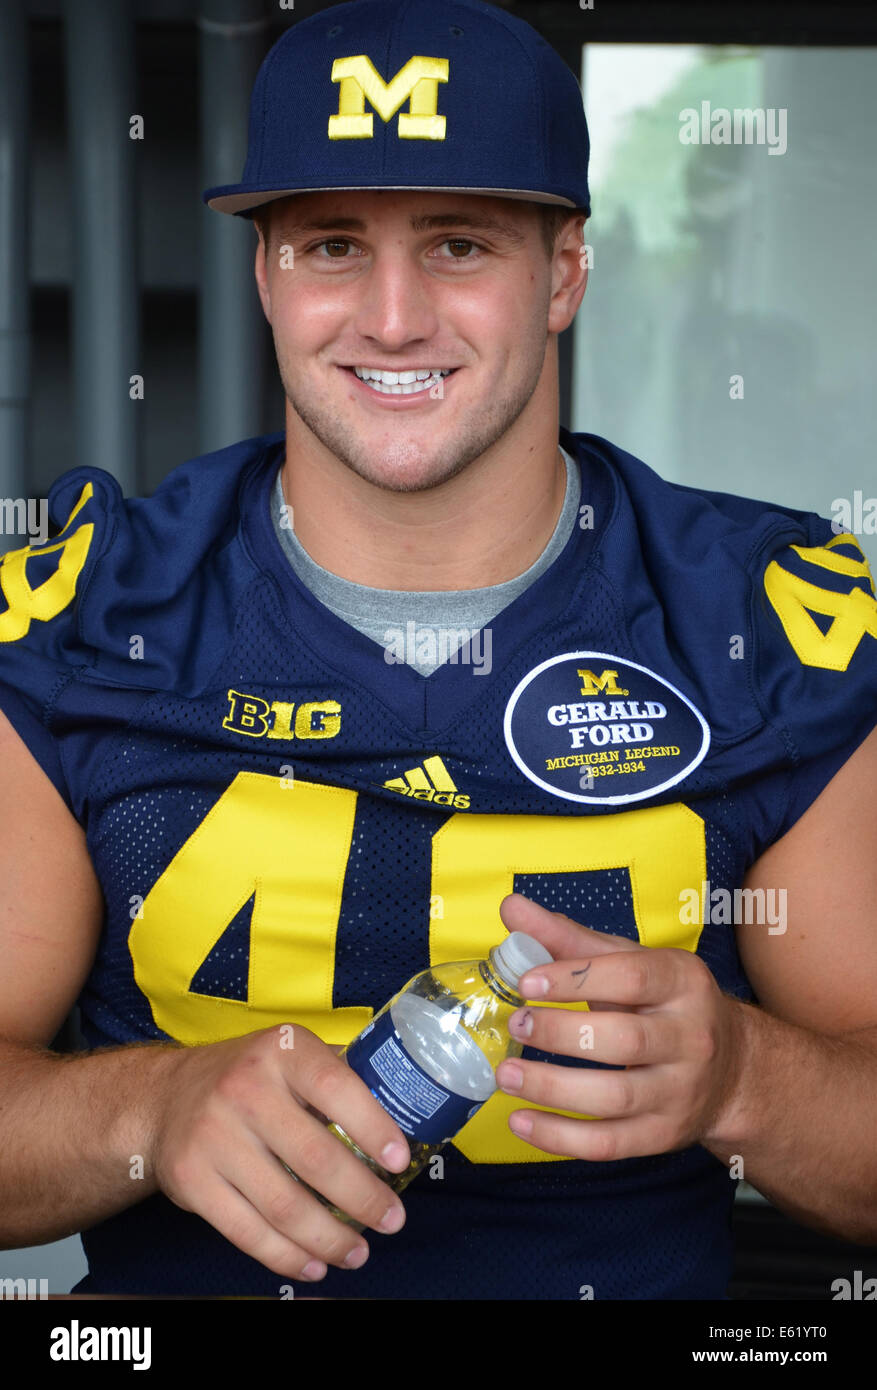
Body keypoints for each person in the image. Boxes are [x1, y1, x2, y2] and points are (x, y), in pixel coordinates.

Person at [1, 0, 876, 1301]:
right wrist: (156, 1108)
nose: (393, 316)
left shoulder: (755, 617)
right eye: (332, 246)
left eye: (459, 245)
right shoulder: (93, 605)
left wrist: (746, 1076)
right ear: (265, 277)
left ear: (566, 271)